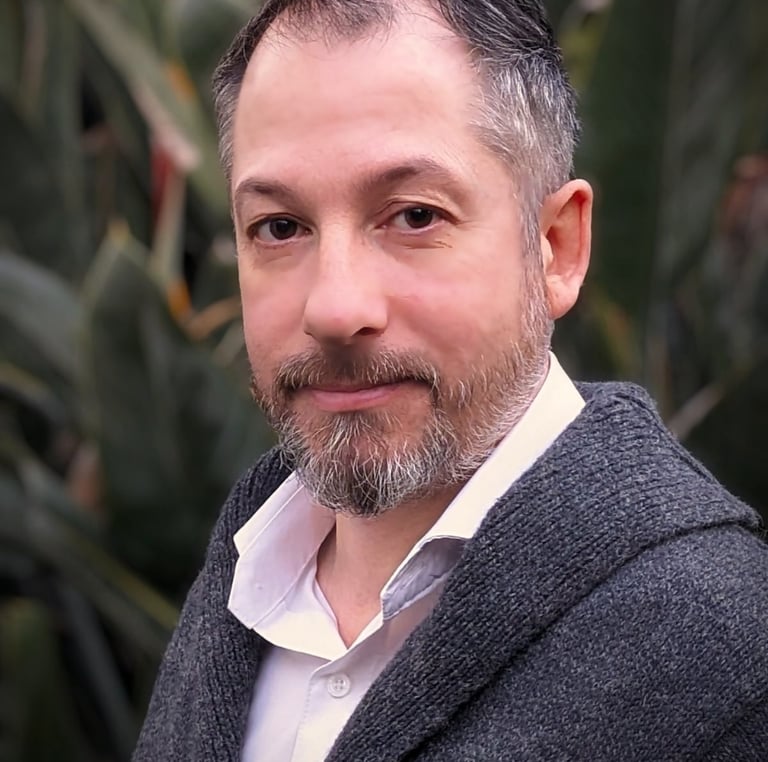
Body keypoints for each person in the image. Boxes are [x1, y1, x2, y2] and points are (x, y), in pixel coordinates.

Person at [134, 1, 768, 760]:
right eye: (280, 227)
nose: (334, 308)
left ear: (556, 246)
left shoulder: (724, 657)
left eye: (413, 217)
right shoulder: (239, 581)